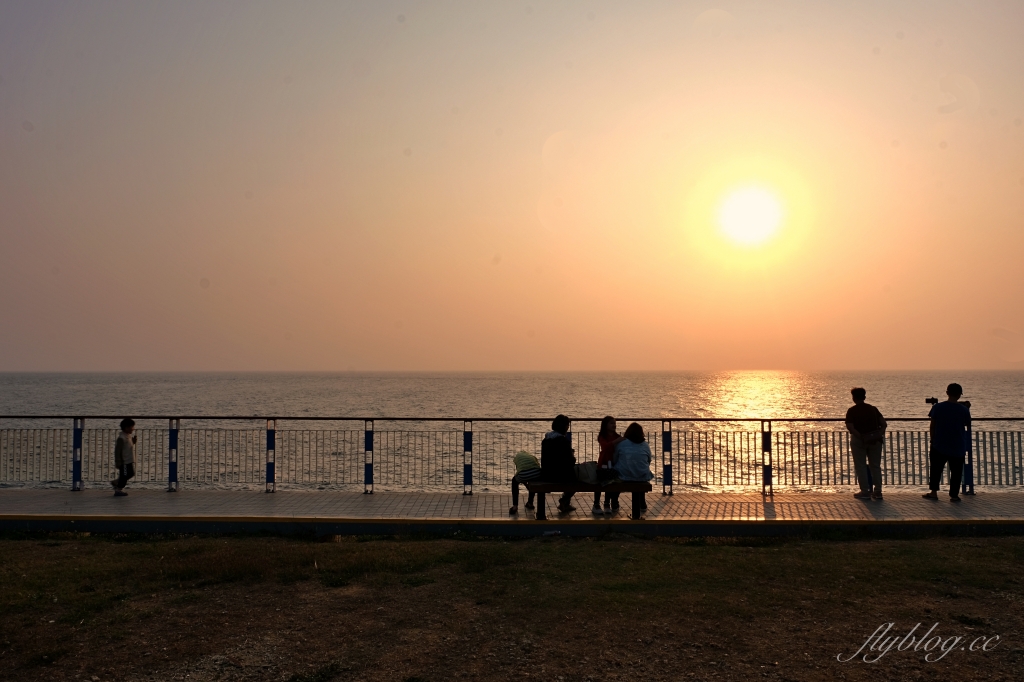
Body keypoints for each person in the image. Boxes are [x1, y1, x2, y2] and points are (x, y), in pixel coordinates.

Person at [924, 383, 971, 503]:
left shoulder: (937, 407)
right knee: (956, 472)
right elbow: (967, 423)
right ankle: (954, 495)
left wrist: (932, 439)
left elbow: (932, 425)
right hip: (958, 445)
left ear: (947, 393)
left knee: (936, 469)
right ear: (960, 395)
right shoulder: (964, 410)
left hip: (939, 444)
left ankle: (934, 492)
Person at [844, 388, 887, 500]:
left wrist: (860, 436)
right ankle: (878, 491)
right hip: (875, 440)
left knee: (861, 466)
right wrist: (879, 434)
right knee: (875, 466)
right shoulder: (873, 409)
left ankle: (865, 491)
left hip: (859, 441)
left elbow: (850, 427)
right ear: (864, 397)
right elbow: (884, 424)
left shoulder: (852, 411)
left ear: (853, 398)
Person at [612, 422, 653, 514]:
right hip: (642, 476)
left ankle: (614, 503)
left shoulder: (621, 443)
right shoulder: (645, 445)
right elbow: (649, 460)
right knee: (639, 476)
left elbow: (615, 459)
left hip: (623, 476)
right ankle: (642, 503)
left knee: (618, 474)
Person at [540, 414, 577, 513]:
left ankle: (565, 503)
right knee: (576, 478)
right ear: (565, 427)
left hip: (546, 474)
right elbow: (569, 462)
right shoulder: (563, 441)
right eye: (567, 425)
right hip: (558, 475)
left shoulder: (546, 440)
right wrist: (573, 456)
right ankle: (564, 500)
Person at [594, 416, 624, 515]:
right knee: (600, 481)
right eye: (611, 423)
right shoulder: (602, 436)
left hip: (613, 461)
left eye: (614, 423)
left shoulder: (616, 436)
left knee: (610, 482)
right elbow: (605, 446)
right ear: (605, 425)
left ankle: (607, 503)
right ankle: (596, 504)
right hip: (603, 461)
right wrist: (617, 441)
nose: (614, 425)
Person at [508, 450, 540, 515]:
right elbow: (537, 464)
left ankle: (515, 506)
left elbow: (519, 470)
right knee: (532, 480)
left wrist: (524, 481)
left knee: (514, 481)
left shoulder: (517, 458)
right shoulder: (531, 456)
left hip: (524, 474)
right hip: (536, 473)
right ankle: (530, 503)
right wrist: (526, 484)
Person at [111, 418, 136, 496]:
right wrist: (118, 461)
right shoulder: (121, 438)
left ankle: (116, 482)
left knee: (131, 473)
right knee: (124, 476)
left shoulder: (128, 436)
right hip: (124, 461)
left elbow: (127, 446)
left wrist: (134, 442)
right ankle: (118, 489)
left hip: (129, 460)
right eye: (132, 427)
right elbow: (118, 450)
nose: (133, 429)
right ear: (126, 428)